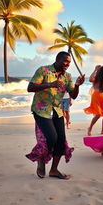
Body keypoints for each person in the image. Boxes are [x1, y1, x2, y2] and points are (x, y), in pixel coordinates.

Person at [26, 51, 85, 179]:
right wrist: (50, 84)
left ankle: (54, 170)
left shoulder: (67, 76)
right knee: (51, 138)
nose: (67, 64)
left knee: (61, 141)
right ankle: (40, 160)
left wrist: (77, 85)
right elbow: (30, 87)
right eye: (65, 61)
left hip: (57, 111)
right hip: (41, 110)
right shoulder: (44, 70)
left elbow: (73, 95)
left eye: (69, 62)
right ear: (57, 60)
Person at [84, 65, 103, 136]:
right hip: (96, 96)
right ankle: (90, 128)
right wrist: (95, 70)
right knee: (98, 114)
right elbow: (90, 79)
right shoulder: (96, 77)